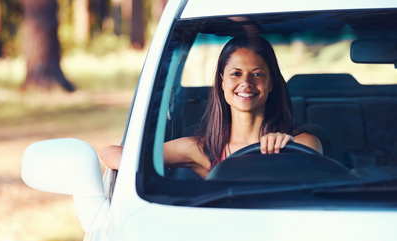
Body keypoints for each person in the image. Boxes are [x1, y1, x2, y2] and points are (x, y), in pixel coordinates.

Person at [101, 35, 322, 178]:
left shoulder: (300, 144)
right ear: (222, 82)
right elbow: (111, 154)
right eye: (236, 74)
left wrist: (288, 154)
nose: (246, 83)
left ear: (271, 82)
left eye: (257, 74)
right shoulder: (203, 150)